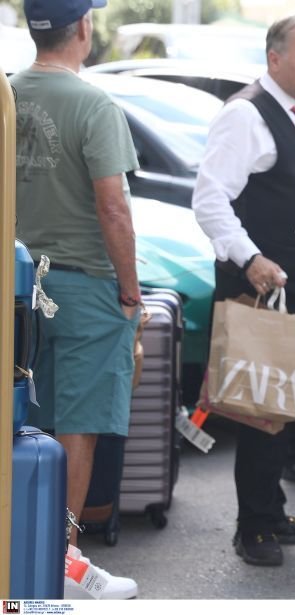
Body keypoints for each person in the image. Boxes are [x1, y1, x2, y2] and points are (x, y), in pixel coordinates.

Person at [14, 0, 140, 599]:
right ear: (84, 27)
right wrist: (131, 291)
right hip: (86, 285)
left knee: (19, 422)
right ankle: (59, 562)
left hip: (17, 284)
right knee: (78, 427)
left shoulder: (8, 94)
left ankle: (18, 553)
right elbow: (113, 207)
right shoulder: (94, 105)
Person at [191, 14, 295, 568]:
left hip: (289, 289)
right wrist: (250, 258)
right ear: (275, 58)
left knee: (281, 403)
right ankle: (253, 528)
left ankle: (271, 511)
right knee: (259, 409)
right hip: (258, 288)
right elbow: (209, 199)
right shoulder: (246, 114)